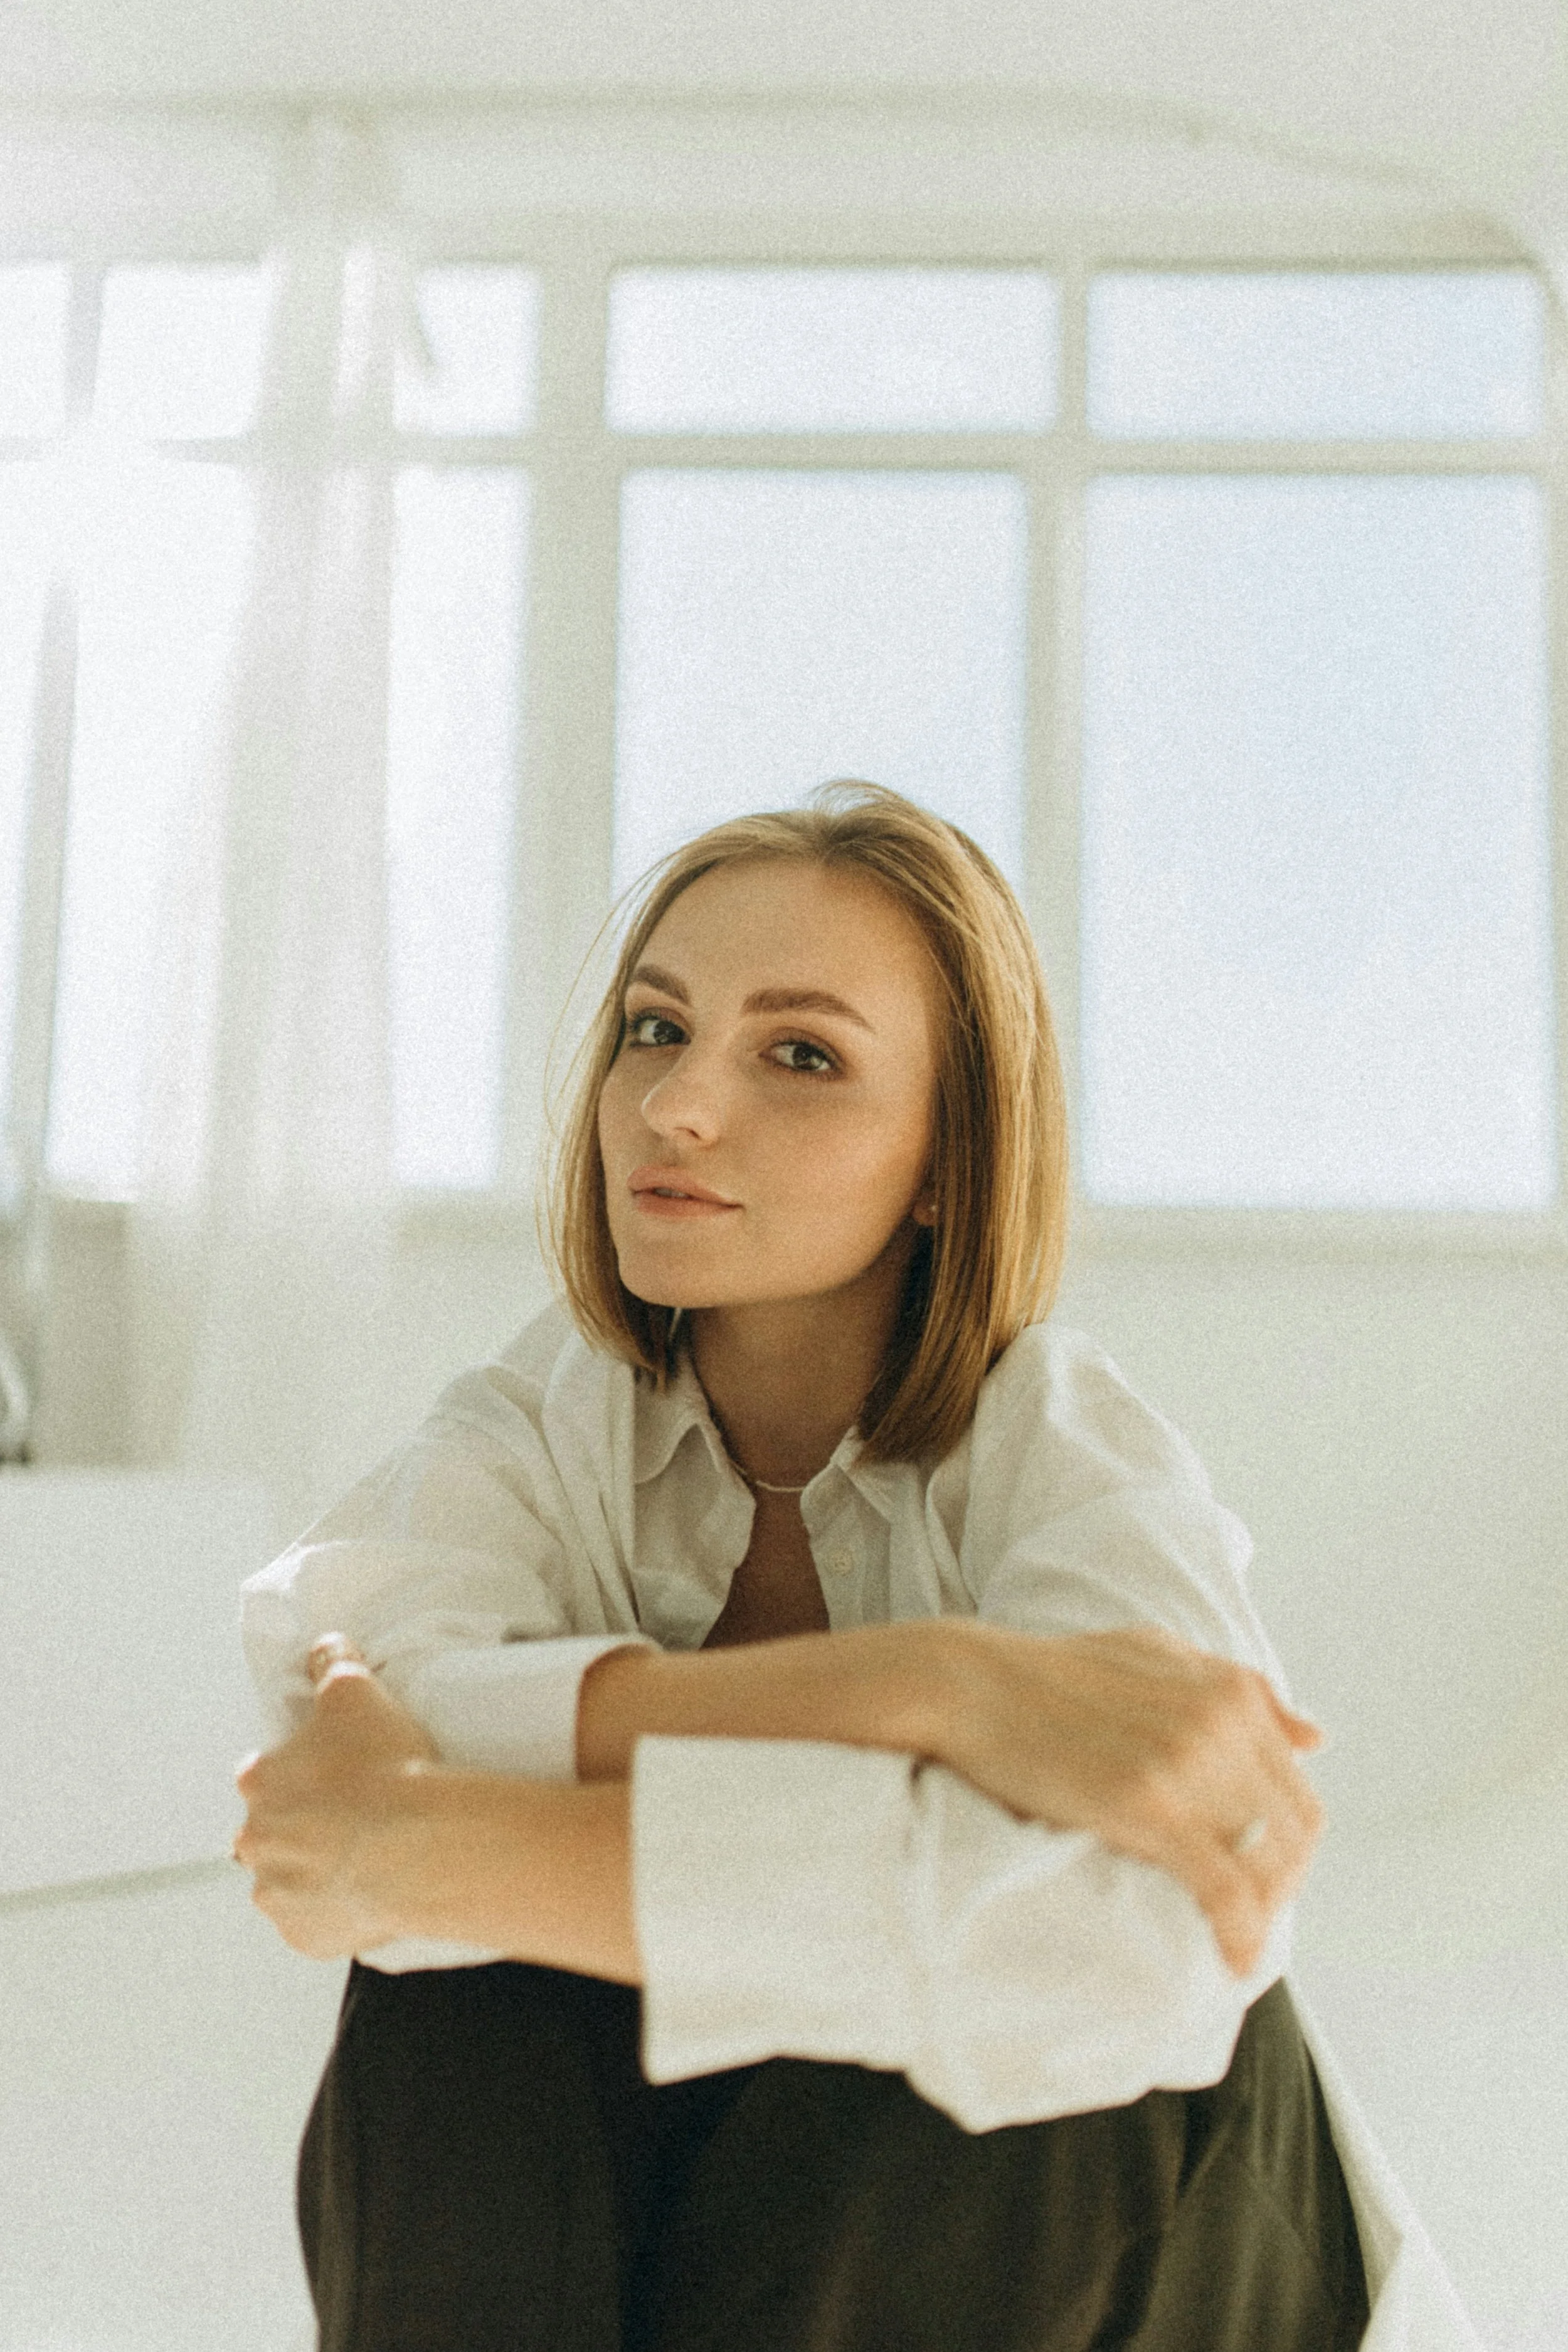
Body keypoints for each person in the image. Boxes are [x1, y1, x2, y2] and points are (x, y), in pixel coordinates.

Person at [234, 781, 1369, 2352]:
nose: (677, 1106)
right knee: (460, 1999)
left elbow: (1158, 1941)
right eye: (654, 1030)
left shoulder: (1063, 1443)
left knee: (1026, 2047)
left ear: (943, 1160)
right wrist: (932, 1690)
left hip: (1166, 2265)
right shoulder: (540, 1422)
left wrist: (437, 1850)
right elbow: (342, 1697)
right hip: (741, 2256)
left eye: (801, 1056)